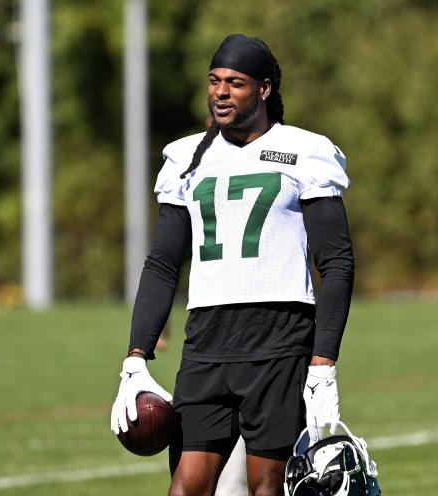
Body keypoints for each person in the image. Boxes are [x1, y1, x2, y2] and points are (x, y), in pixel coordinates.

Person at [111, 33, 355, 496]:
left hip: (279, 339)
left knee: (267, 488)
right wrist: (135, 358)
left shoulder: (306, 151)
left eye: (235, 83)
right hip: (205, 340)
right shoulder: (187, 157)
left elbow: (337, 261)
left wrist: (323, 363)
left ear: (263, 89)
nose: (221, 92)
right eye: (215, 81)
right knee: (185, 489)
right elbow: (163, 263)